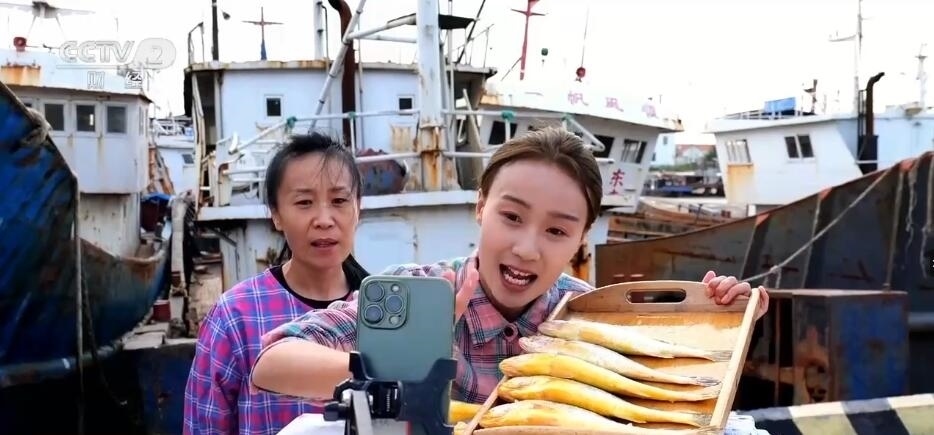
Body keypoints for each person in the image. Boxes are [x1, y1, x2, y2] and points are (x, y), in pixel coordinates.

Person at [249, 126, 770, 404]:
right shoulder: (418, 294)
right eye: (512, 217)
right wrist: (395, 360)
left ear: (582, 237)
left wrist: (723, 318)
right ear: (481, 207)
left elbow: (674, 389)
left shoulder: (588, 314)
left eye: (557, 231)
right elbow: (271, 364)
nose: (526, 248)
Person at [182, 132, 371, 434]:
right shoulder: (234, 316)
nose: (324, 219)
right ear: (276, 214)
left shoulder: (381, 311)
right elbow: (204, 426)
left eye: (339, 200)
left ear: (358, 207)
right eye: (304, 202)